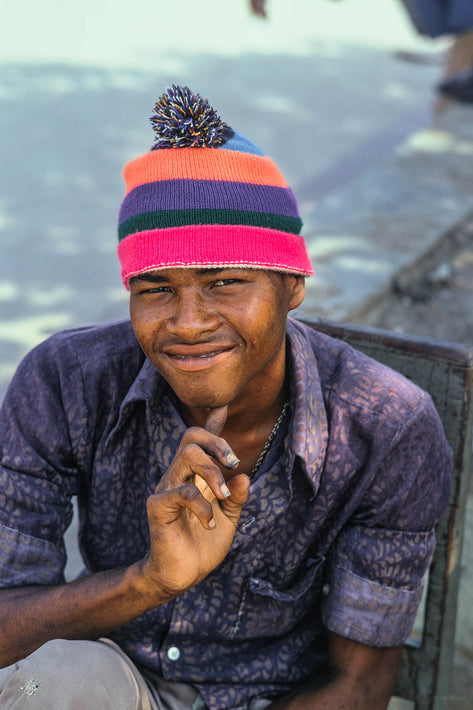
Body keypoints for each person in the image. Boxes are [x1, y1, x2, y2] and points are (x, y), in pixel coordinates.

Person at [0, 85, 452, 710]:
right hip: (113, 678)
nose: (187, 322)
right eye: (155, 289)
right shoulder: (65, 382)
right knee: (44, 683)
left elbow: (360, 681)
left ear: (292, 284)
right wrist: (147, 582)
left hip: (275, 700)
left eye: (226, 282)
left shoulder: (385, 427)